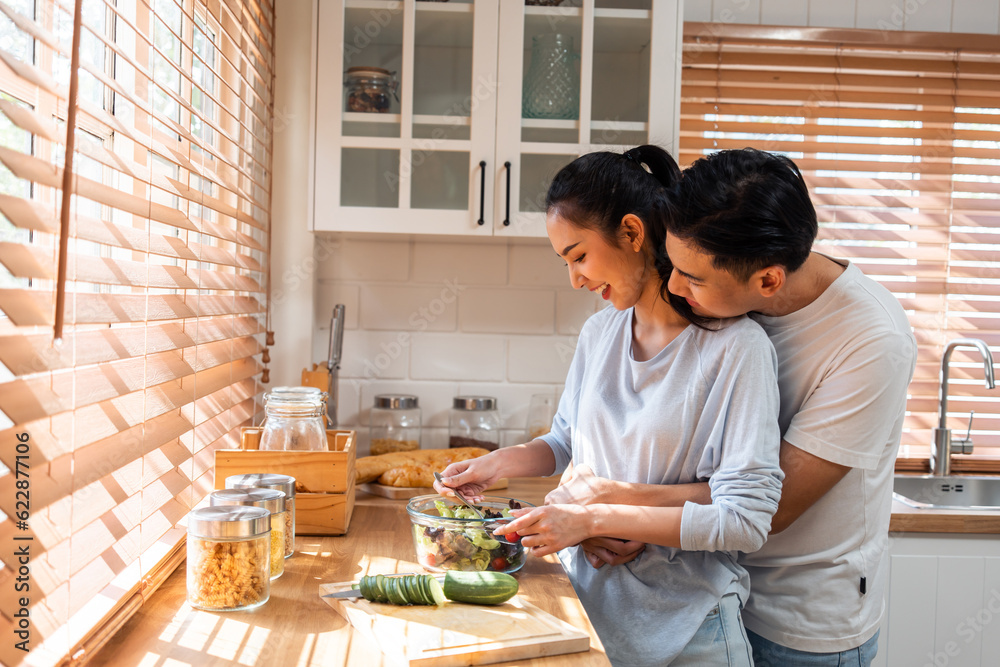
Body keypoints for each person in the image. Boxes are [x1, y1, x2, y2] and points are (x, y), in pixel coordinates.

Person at [551, 148, 917, 666]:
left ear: (767, 281)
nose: (674, 286)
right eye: (672, 264)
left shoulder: (871, 341)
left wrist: (610, 506)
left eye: (691, 278)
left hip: (799, 619)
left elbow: (773, 505)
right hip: (707, 584)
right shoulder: (731, 269)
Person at [434, 145, 784, 667]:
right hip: (589, 613)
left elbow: (743, 520)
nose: (574, 279)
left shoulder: (736, 348)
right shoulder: (600, 332)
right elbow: (564, 442)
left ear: (632, 232)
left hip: (691, 630)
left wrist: (596, 514)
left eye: (578, 255)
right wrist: (493, 464)